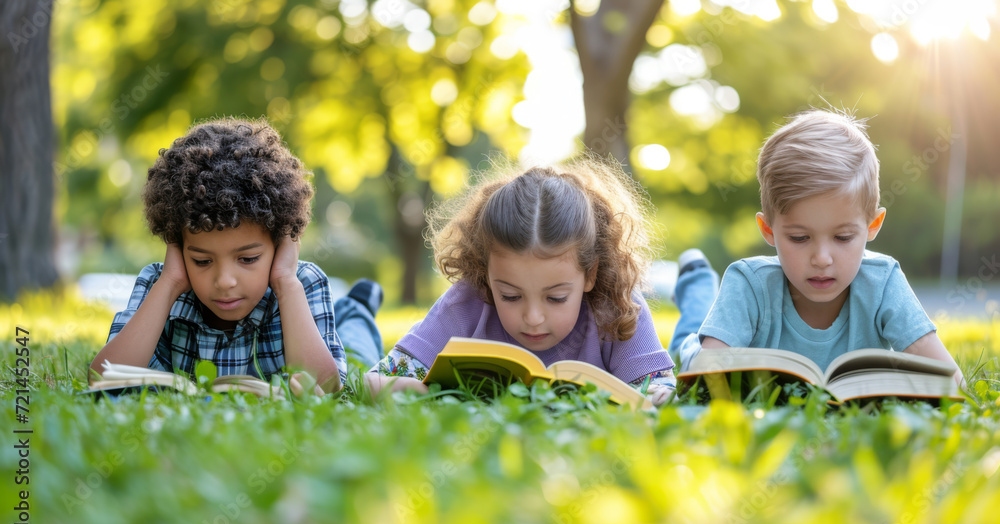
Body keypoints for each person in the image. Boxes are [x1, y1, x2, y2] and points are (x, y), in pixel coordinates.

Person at [669, 109, 964, 387]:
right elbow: (703, 375)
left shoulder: (883, 282)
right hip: (703, 342)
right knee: (692, 333)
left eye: (843, 237)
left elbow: (949, 379)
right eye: (799, 238)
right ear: (768, 230)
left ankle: (701, 288)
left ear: (872, 225)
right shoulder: (748, 284)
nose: (822, 259)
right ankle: (698, 286)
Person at [90, 117, 383, 394]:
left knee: (358, 352)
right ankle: (350, 309)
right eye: (202, 261)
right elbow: (104, 378)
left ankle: (356, 308)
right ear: (177, 247)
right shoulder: (160, 283)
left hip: (326, 326)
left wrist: (284, 282)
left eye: (248, 259)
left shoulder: (300, 282)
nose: (225, 281)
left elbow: (328, 387)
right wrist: (169, 283)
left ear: (279, 243)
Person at [365, 157, 677, 405]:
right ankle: (359, 313)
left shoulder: (618, 307)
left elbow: (655, 385)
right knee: (358, 345)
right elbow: (374, 379)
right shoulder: (466, 303)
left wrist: (654, 396)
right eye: (511, 296)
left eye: (555, 298)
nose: (533, 318)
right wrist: (403, 391)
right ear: (486, 273)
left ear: (590, 274)